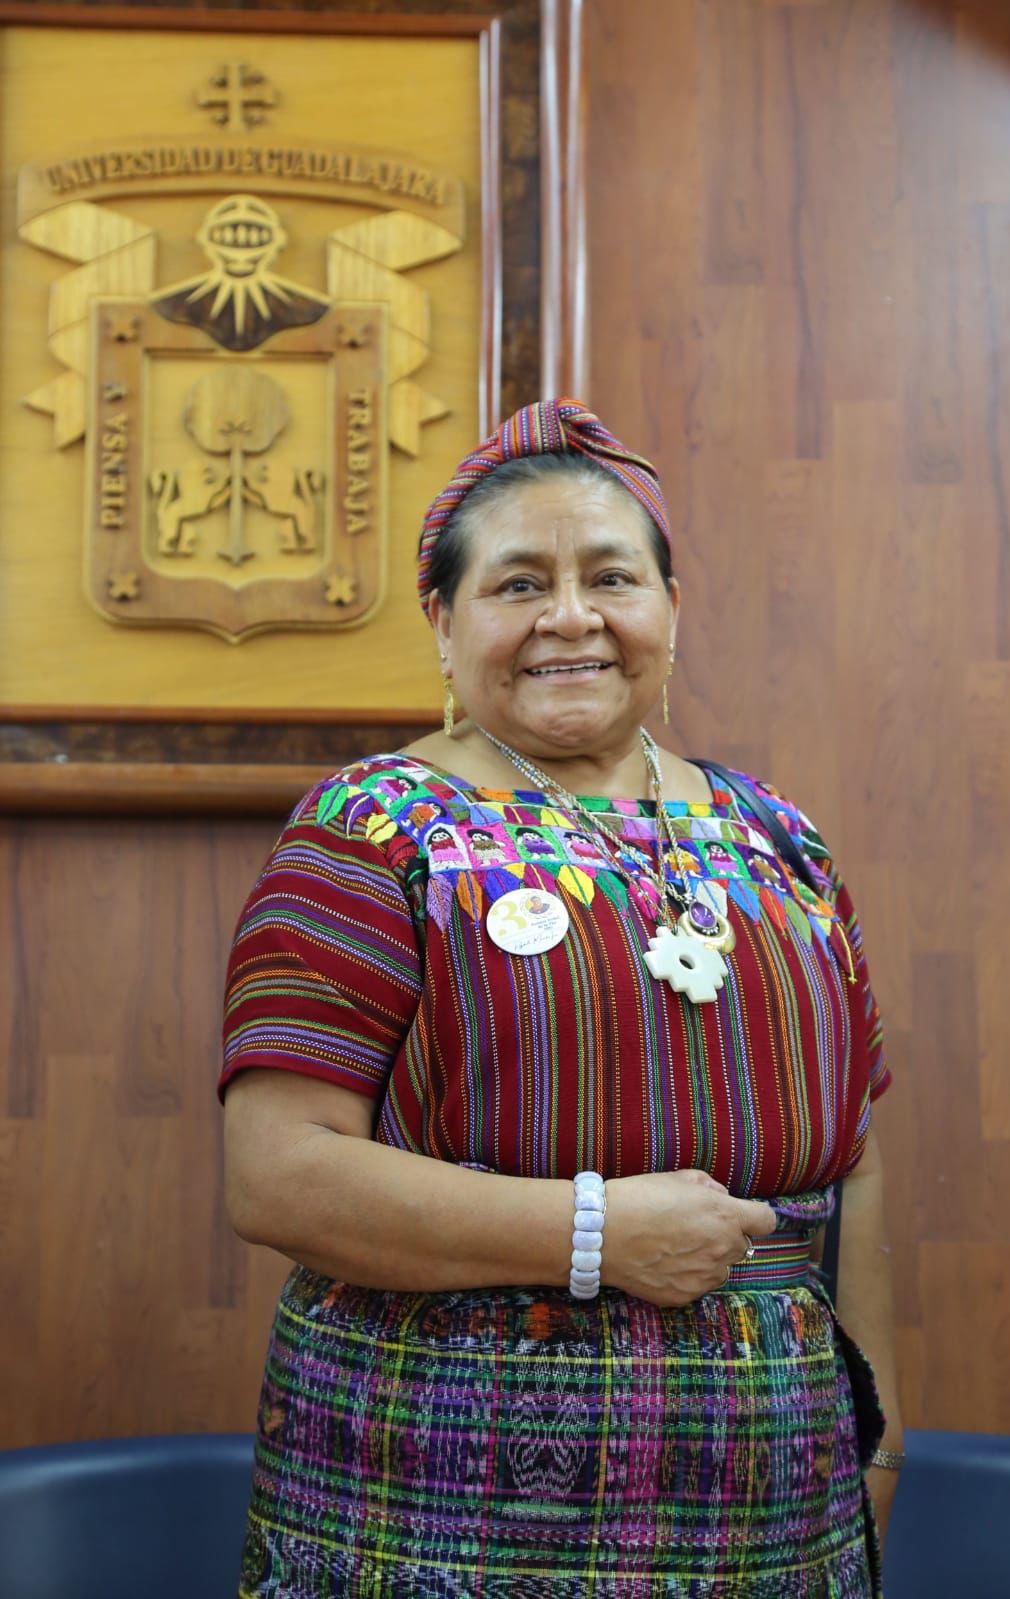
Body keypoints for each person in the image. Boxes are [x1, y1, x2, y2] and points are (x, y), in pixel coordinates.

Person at [221, 398, 903, 1598]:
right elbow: (277, 1173)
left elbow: (852, 1168)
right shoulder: (369, 830)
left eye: (611, 578)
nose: (570, 616)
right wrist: (594, 1234)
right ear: (444, 624)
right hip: (431, 1497)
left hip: (774, 1499)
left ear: (669, 608)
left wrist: (881, 1438)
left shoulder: (779, 840)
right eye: (519, 584)